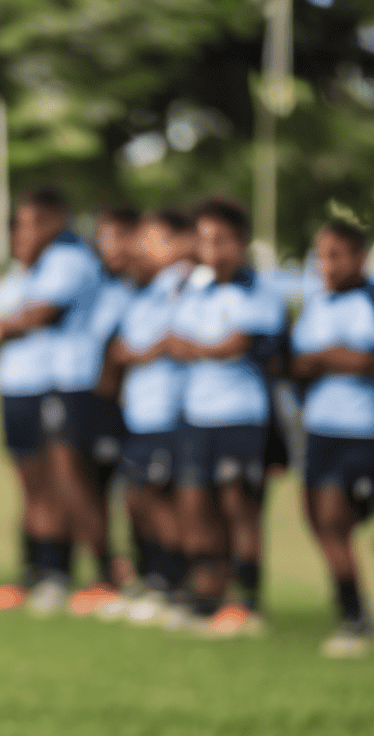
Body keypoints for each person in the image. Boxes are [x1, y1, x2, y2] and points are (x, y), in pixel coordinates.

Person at [166, 197, 287, 635]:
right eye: (204, 240)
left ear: (240, 243)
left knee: (239, 506)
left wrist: (200, 347)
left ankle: (248, 600)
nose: (212, 250)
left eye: (221, 240)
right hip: (196, 413)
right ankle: (207, 595)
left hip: (243, 415)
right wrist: (207, 348)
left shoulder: (260, 292)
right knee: (197, 506)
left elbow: (236, 345)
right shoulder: (191, 289)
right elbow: (174, 342)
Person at [0, 187, 99, 615]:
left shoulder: (69, 260)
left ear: (57, 221)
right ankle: (35, 567)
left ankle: (60, 570)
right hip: (16, 387)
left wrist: (6, 325)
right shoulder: (21, 274)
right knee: (30, 483)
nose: (24, 234)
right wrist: (4, 325)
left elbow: (32, 318)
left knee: (58, 481)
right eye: (20, 226)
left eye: (34, 224)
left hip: (54, 385)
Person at [46, 205, 138, 616]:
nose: (111, 247)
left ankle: (130, 572)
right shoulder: (96, 284)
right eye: (105, 237)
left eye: (120, 236)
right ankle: (104, 569)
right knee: (75, 477)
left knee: (129, 490)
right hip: (78, 392)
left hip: (116, 402)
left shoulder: (139, 289)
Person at [105, 208, 195, 624]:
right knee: (137, 498)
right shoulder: (146, 292)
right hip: (139, 413)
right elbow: (123, 349)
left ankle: (177, 587)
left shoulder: (189, 286)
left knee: (165, 502)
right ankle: (153, 579)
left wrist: (144, 351)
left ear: (182, 242)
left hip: (169, 412)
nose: (140, 248)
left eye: (151, 239)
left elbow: (175, 342)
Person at [291, 218, 374, 658]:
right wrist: (333, 357)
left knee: (334, 516)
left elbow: (364, 362)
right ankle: (351, 610)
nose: (327, 264)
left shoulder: (369, 301)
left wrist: (330, 358)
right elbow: (299, 362)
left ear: (359, 255)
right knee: (318, 519)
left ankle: (354, 616)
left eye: (335, 254)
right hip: (319, 429)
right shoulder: (317, 304)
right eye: (321, 255)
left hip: (362, 432)